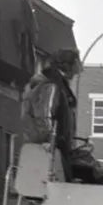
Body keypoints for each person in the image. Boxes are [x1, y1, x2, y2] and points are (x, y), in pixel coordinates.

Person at [21, 48, 80, 178]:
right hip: (48, 151)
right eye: (75, 66)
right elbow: (44, 115)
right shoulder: (51, 86)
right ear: (67, 66)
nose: (76, 73)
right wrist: (49, 140)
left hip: (50, 149)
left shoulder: (55, 84)